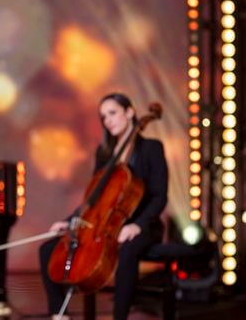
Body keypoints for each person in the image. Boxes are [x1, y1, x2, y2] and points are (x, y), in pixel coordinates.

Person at [39, 93, 168, 320]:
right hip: (104, 226)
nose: (107, 120)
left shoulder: (151, 148)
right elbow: (94, 198)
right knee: (47, 249)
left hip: (143, 225)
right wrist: (70, 221)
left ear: (130, 112)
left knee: (127, 250)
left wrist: (137, 226)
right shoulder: (105, 153)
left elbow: (159, 197)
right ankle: (59, 315)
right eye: (103, 117)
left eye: (113, 113)